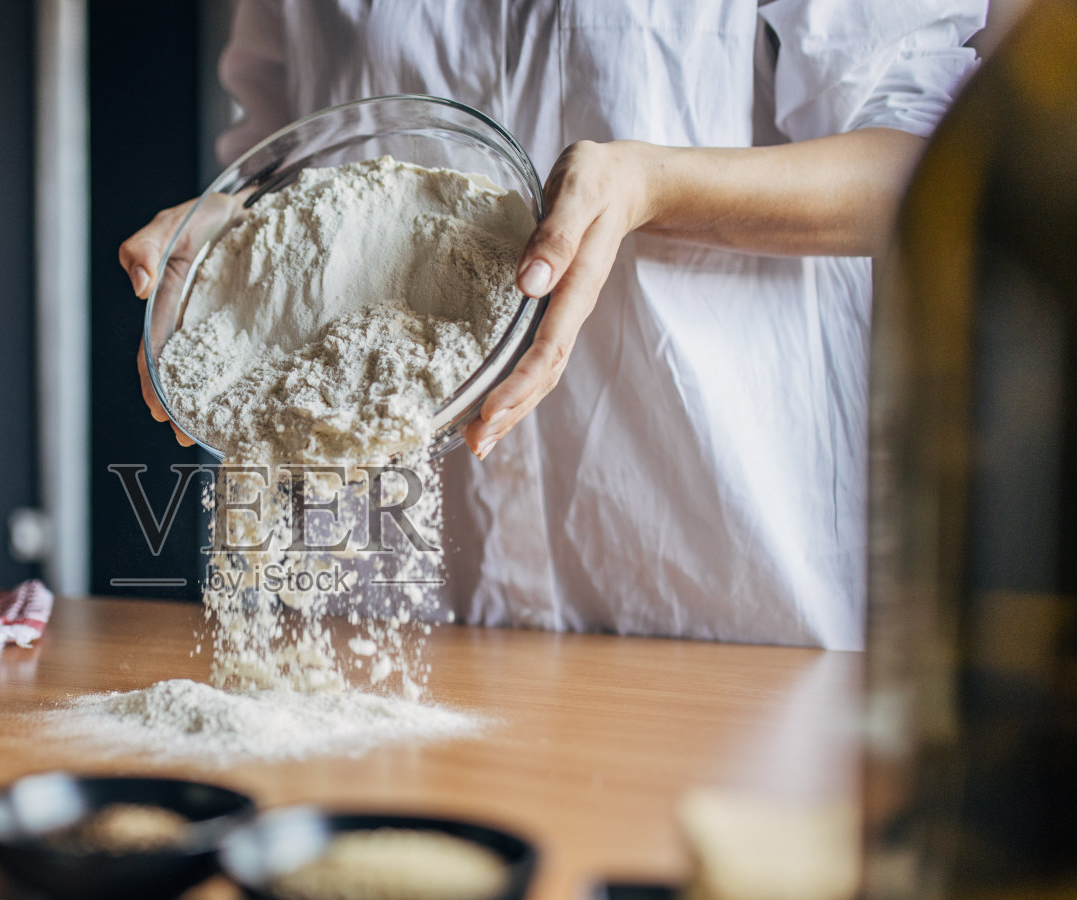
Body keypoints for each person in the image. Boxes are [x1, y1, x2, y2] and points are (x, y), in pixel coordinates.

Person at [119, 1, 986, 651]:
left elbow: (926, 158)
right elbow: (282, 154)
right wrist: (226, 228)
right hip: (399, 600)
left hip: (725, 593)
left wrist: (653, 186)